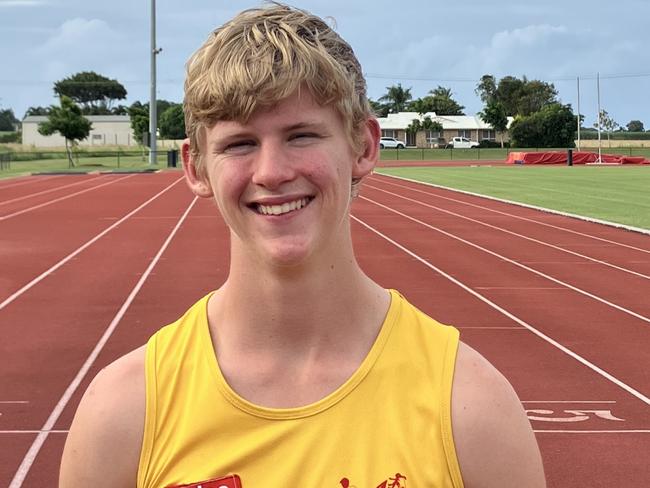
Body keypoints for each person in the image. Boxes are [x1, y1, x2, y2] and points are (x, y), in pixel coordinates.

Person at [60, 3, 546, 487]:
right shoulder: (125, 413)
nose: (272, 172)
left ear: (363, 146)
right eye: (239, 144)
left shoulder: (470, 410)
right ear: (195, 166)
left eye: (302, 136)